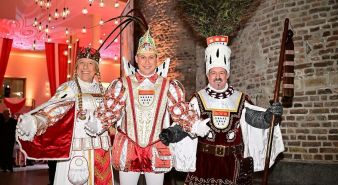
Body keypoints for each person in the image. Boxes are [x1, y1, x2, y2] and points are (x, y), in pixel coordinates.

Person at [162, 36, 285, 184]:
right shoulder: (198, 99)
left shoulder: (240, 99)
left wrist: (269, 115)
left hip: (233, 164)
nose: (218, 77)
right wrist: (171, 133)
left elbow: (255, 119)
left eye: (222, 73)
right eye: (213, 73)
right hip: (205, 164)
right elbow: (185, 124)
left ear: (227, 74)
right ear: (208, 75)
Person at [95, 30, 209, 185]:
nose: (147, 62)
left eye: (150, 57)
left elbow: (179, 110)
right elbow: (111, 109)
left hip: (157, 146)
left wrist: (194, 124)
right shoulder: (123, 84)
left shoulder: (168, 85)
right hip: (128, 145)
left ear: (157, 59)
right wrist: (98, 122)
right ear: (136, 59)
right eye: (143, 57)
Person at [16, 47, 115, 185]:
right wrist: (36, 121)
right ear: (76, 66)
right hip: (76, 151)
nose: (85, 67)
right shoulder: (70, 88)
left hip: (101, 151)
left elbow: (114, 115)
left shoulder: (105, 90)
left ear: (96, 68)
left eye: (90, 63)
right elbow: (54, 110)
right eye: (81, 62)